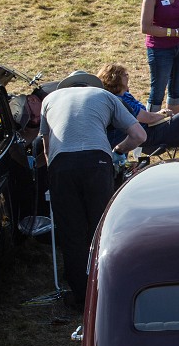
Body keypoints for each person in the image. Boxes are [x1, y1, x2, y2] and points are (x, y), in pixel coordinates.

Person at [39, 71, 146, 310]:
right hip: (96, 162)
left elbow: (47, 148)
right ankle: (106, 289)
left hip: (61, 165)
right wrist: (117, 149)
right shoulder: (104, 95)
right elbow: (139, 135)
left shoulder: (50, 99)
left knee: (71, 230)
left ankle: (80, 296)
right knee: (100, 227)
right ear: (91, 85)